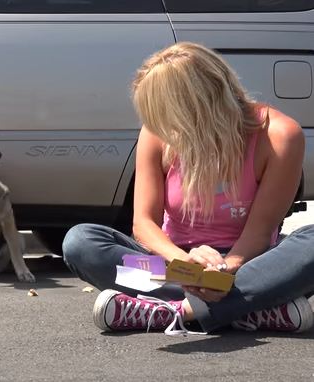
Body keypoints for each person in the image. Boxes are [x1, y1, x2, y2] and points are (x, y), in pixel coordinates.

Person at [62, 42, 314, 335]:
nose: (162, 126)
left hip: (249, 265)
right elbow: (143, 224)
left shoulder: (280, 135)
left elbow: (260, 232)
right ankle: (250, 308)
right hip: (171, 270)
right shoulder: (156, 132)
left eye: (167, 115)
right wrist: (185, 264)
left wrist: (222, 269)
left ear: (201, 105)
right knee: (81, 242)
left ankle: (176, 312)